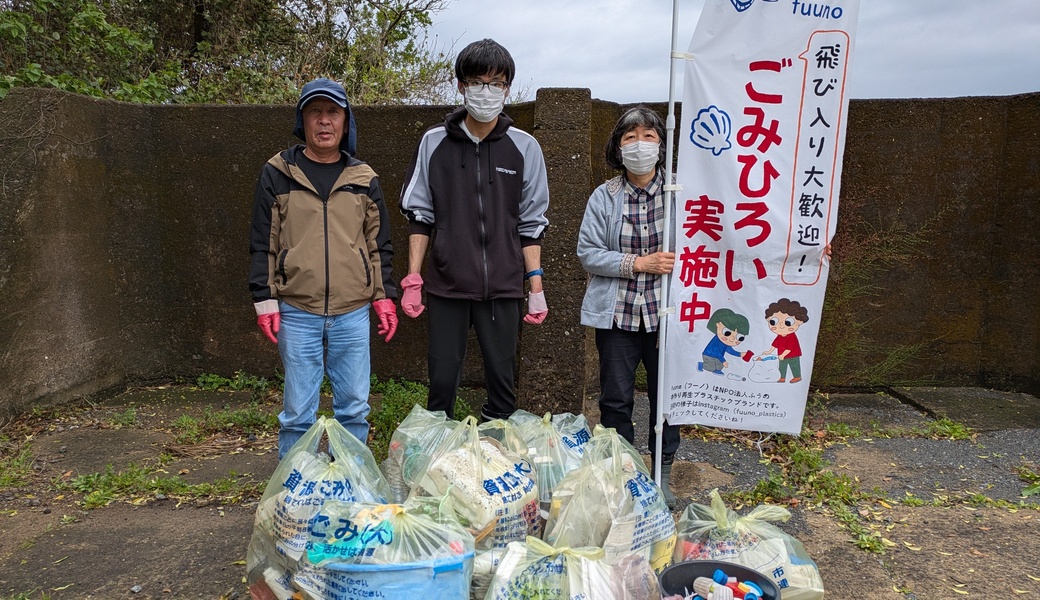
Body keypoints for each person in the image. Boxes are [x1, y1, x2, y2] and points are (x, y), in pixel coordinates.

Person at [398, 39, 550, 422]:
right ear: (461, 87)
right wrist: (413, 278)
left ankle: (496, 458)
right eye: (477, 82)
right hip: (447, 282)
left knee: (502, 380)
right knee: (442, 379)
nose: (486, 91)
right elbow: (420, 215)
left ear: (507, 89)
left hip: (503, 284)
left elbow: (531, 223)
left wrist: (536, 286)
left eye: (496, 83)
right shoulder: (434, 142)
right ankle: (437, 456)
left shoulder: (524, 147)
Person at [249, 78, 398, 459]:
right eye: (315, 112)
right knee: (298, 412)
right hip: (297, 309)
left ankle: (350, 480)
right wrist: (264, 297)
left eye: (333, 112)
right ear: (303, 120)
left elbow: (378, 245)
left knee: (354, 409)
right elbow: (263, 241)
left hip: (353, 310)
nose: (324, 121)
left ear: (346, 122)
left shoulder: (363, 178)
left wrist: (384, 298)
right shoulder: (277, 172)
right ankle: (296, 485)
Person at [577, 105, 680, 508]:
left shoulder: (680, 191)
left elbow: (720, 236)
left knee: (667, 399)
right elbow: (587, 252)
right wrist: (637, 263)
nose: (640, 145)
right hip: (618, 314)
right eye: (630, 137)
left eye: (649, 137)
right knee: (615, 398)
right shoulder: (605, 196)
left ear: (661, 144)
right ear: (618, 148)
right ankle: (625, 473)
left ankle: (663, 473)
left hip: (667, 314)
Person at [757, 298, 809, 383]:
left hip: (793, 354)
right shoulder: (780, 336)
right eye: (773, 322)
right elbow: (775, 344)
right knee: (782, 366)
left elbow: (790, 348)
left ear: (799, 322)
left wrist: (783, 355)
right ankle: (782, 377)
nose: (781, 326)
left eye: (788, 322)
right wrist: (769, 351)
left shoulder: (792, 336)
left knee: (794, 366)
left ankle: (797, 376)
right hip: (782, 354)